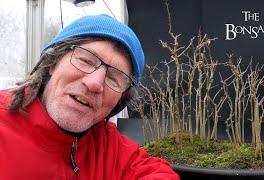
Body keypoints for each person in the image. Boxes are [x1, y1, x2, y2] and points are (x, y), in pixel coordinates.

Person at [0, 14, 179, 180]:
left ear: (120, 100)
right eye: (85, 61)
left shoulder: (106, 145)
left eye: (114, 79)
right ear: (53, 63)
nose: (95, 83)